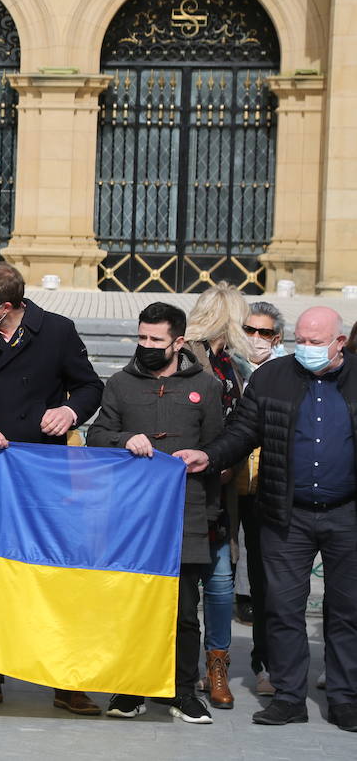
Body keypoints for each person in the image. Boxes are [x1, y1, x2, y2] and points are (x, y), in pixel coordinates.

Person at [176, 306, 357, 732]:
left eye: (317, 343)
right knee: (281, 609)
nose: (307, 350)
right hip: (285, 513)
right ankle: (289, 696)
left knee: (348, 610)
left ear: (340, 343)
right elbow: (241, 431)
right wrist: (210, 454)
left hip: (348, 514)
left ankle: (346, 698)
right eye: (302, 342)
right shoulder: (272, 378)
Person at [0, 261, 105, 715]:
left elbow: (90, 386)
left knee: (52, 575)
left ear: (7, 307)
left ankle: (65, 680)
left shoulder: (57, 331)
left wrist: (70, 412)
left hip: (45, 476)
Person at [87, 302, 224, 724]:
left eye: (156, 340)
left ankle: (181, 691)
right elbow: (97, 436)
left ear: (178, 342)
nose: (146, 346)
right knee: (132, 605)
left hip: (187, 515)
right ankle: (129, 690)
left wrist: (205, 465)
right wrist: (126, 438)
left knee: (183, 611)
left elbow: (220, 449)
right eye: (142, 337)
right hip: (131, 518)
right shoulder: (121, 384)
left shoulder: (207, 385)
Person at [184, 282, 252, 710]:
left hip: (223, 489)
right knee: (193, 582)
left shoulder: (231, 362)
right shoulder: (188, 356)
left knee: (222, 583)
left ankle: (217, 666)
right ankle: (186, 668)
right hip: (192, 485)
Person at [236, 300, 286, 695]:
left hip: (263, 489)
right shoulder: (223, 367)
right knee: (216, 580)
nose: (255, 339)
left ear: (278, 338)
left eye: (264, 333)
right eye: (249, 330)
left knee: (264, 580)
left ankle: (264, 663)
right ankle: (210, 661)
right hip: (226, 482)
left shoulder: (287, 373)